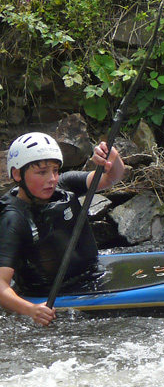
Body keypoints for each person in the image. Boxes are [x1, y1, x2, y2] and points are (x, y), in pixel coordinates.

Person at [0, 131, 125, 326]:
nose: (52, 179)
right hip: (47, 294)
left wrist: (112, 158)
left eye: (55, 170)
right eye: (41, 172)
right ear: (17, 174)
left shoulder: (64, 185)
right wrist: (31, 310)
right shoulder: (13, 219)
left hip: (91, 276)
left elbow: (111, 178)